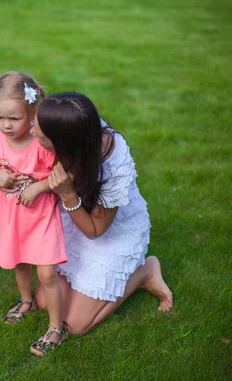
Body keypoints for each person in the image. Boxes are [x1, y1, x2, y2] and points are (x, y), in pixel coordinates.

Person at [28, 91, 173, 336]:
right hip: (76, 223)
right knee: (45, 301)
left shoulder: (111, 162)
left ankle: (145, 272)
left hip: (109, 233)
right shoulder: (74, 124)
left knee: (74, 325)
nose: (32, 131)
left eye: (39, 133)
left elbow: (96, 230)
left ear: (62, 142)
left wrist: (67, 195)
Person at [0, 72, 68, 357]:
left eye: (14, 119)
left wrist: (39, 187)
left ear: (33, 113)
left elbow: (63, 175)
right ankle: (26, 300)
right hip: (11, 217)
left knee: (47, 272)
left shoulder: (43, 144)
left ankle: (56, 327)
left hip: (41, 216)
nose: (6, 125)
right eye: (0, 117)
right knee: (19, 261)